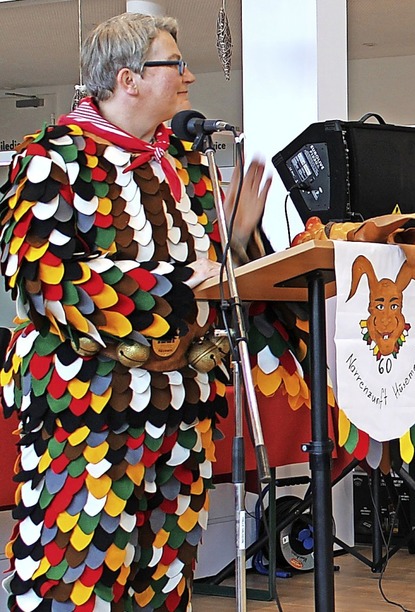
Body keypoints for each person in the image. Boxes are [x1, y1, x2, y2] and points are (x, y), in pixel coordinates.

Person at [0, 12, 271, 611]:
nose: (190, 77)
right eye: (175, 65)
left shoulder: (185, 163)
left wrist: (241, 236)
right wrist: (174, 282)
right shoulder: (53, 158)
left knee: (168, 578)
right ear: (128, 78)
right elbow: (47, 277)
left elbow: (210, 266)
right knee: (80, 574)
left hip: (184, 409)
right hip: (88, 416)